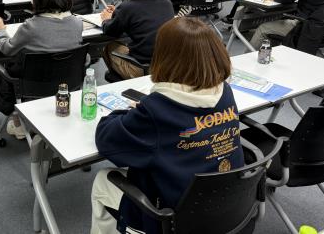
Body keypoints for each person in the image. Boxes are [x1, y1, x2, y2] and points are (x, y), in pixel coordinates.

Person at [91, 17, 244, 234]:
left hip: (170, 218)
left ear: (165, 56)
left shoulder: (158, 108)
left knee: (103, 180)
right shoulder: (225, 92)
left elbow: (106, 140)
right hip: (224, 207)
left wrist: (133, 112)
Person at [0, 0, 83, 139]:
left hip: (33, 87)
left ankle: (18, 124)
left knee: (8, 69)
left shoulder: (31, 27)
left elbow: (7, 49)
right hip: (67, 86)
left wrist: (1, 30)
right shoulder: (77, 23)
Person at [100, 0, 174, 80]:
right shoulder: (167, 2)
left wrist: (106, 19)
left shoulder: (127, 7)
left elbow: (111, 31)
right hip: (167, 66)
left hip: (142, 68)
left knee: (110, 46)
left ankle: (121, 80)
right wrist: (117, 13)